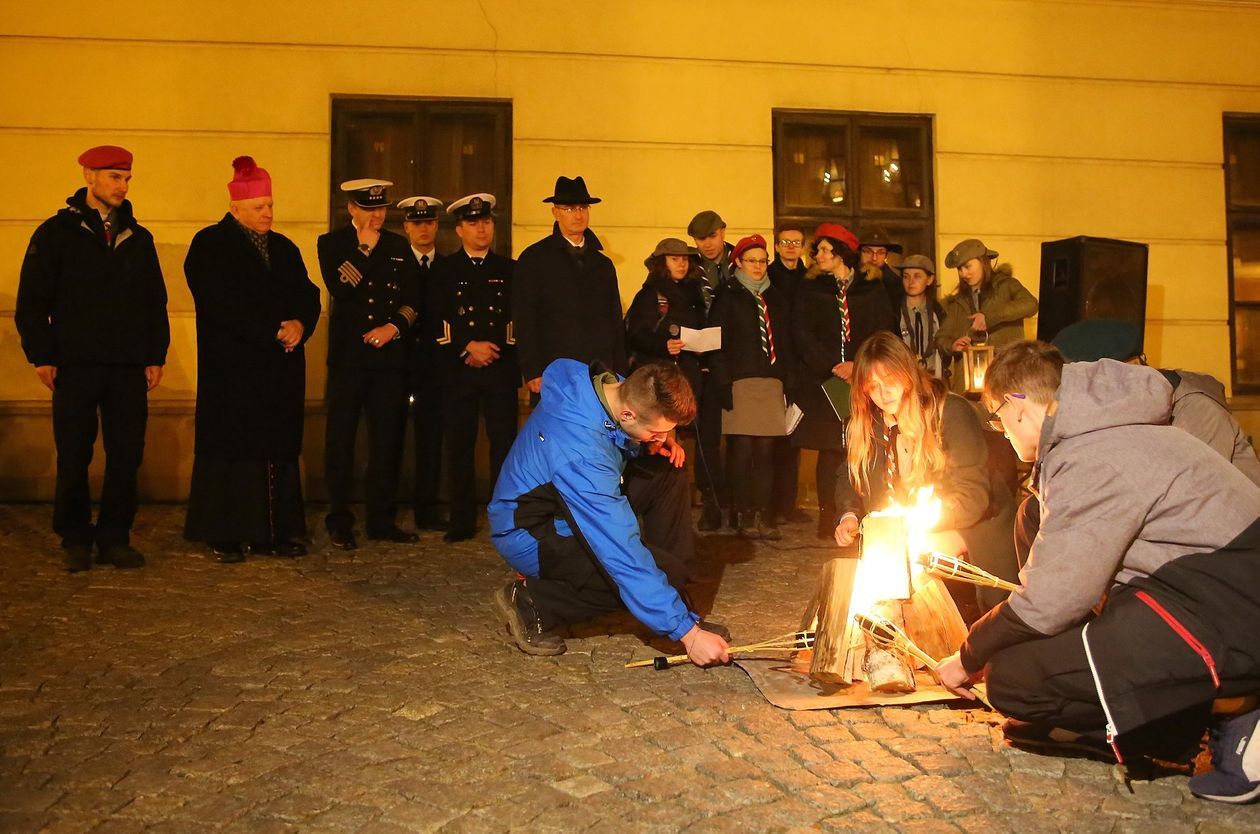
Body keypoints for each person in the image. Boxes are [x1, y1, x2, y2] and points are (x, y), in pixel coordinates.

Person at [935, 341, 1260, 804]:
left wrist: (968, 656)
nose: (1000, 431)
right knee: (1033, 516)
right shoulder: (1106, 430)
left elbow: (1051, 602)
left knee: (1011, 681)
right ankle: (1159, 698)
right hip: (1207, 588)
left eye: (997, 417)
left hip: (1226, 610)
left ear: (1018, 407)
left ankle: (1235, 711)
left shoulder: (1092, 458)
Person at [488, 359, 730, 665]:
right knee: (630, 570)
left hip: (568, 504)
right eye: (656, 432)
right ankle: (532, 600)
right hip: (533, 531)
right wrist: (688, 634)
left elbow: (613, 433)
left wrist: (648, 443)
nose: (660, 438)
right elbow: (617, 549)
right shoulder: (580, 452)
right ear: (629, 414)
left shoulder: (613, 387)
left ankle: (671, 598)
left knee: (669, 471)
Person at [16, 145, 170, 572]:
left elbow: (154, 301)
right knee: (74, 452)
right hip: (75, 363)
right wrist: (42, 355)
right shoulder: (55, 234)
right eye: (114, 176)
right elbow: (32, 301)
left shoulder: (138, 237)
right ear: (89, 176)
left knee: (126, 454)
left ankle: (115, 536)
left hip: (126, 364)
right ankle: (75, 536)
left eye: (126, 178)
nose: (122, 186)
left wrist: (155, 353)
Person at [183, 156, 321, 563]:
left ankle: (274, 532)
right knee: (232, 451)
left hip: (278, 370)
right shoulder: (209, 245)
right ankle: (225, 532)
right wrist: (271, 329)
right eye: (260, 207)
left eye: (271, 206)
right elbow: (219, 302)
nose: (268, 214)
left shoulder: (284, 247)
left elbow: (307, 293)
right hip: (234, 370)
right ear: (235, 209)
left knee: (275, 450)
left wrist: (300, 324)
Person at [833, 332, 1019, 613]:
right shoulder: (869, 423)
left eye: (891, 380)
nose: (884, 394)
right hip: (913, 534)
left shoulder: (948, 411)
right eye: (873, 386)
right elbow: (850, 472)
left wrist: (917, 524)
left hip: (976, 529)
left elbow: (973, 497)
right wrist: (849, 513)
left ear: (907, 372)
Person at [318, 178, 422, 549]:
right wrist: (363, 249)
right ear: (351, 209)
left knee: (387, 440)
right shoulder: (332, 244)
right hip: (349, 360)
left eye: (380, 209)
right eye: (368, 209)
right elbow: (341, 288)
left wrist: (393, 326)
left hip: (389, 358)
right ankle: (339, 518)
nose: (376, 216)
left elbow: (414, 299)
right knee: (341, 441)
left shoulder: (397, 246)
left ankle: (381, 518)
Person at [1052, 319, 1260, 486]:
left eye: (1089, 382)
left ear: (1131, 367)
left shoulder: (1194, 409)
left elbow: (1192, 495)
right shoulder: (1123, 412)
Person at [791, 223, 897, 539]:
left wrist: (858, 365)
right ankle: (830, 516)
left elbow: (883, 328)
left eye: (825, 249)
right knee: (830, 449)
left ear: (841, 253)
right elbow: (802, 332)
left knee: (861, 441)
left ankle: (864, 512)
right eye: (818, 249)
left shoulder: (870, 288)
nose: (818, 255)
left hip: (863, 379)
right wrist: (831, 365)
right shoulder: (811, 289)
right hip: (825, 381)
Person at [427, 193, 520, 543]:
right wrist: (467, 346)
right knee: (460, 446)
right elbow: (437, 316)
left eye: (486, 221)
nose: (482, 228)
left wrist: (495, 350)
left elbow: (516, 317)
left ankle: (504, 517)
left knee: (504, 446)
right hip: (459, 368)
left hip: (500, 368)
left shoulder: (509, 269)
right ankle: (461, 518)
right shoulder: (445, 270)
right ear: (460, 229)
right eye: (473, 223)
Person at [707, 234, 793, 540]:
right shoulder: (727, 296)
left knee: (768, 451)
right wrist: (722, 382)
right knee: (741, 450)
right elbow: (716, 343)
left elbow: (786, 341)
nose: (757, 266)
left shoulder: (777, 298)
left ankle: (765, 513)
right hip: (739, 382)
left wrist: (787, 380)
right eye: (751, 260)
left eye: (762, 260)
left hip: (771, 382)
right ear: (738, 262)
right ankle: (740, 511)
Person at [513, 176, 627, 404]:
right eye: (569, 208)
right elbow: (524, 318)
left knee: (598, 433)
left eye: (583, 207)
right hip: (554, 370)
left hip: (599, 371)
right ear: (555, 212)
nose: (578, 214)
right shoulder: (535, 258)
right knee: (555, 434)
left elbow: (615, 319)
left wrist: (620, 369)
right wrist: (532, 370)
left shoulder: (602, 264)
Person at [397, 195, 449, 531]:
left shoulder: (447, 267)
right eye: (417, 223)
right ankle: (387, 503)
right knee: (391, 437)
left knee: (431, 440)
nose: (423, 228)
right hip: (398, 363)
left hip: (435, 366)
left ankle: (426, 507)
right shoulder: (397, 261)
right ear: (406, 227)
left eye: (429, 222)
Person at [935, 238, 1037, 395]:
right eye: (960, 269)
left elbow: (1031, 304)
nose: (964, 274)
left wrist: (989, 317)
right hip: (968, 389)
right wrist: (952, 345)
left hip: (1005, 379)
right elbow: (941, 338)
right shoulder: (957, 302)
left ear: (983, 262)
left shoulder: (1007, 286)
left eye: (968, 267)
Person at [688, 209, 735, 531]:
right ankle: (712, 502)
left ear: (723, 231)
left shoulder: (743, 261)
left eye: (712, 236)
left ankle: (740, 503)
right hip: (701, 363)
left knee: (741, 439)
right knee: (706, 438)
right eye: (700, 239)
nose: (706, 244)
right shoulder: (689, 268)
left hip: (737, 361)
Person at [624, 237, 706, 397]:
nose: (681, 264)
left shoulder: (695, 294)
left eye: (685, 259)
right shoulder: (650, 294)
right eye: (674, 259)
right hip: (658, 378)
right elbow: (636, 335)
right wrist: (664, 345)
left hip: (689, 378)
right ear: (662, 263)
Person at [768, 222, 809, 524]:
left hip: (803, 366)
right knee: (773, 436)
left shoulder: (810, 277)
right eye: (785, 242)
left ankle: (789, 503)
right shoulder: (768, 277)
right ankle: (772, 504)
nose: (791, 247)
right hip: (776, 363)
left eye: (796, 242)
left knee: (794, 434)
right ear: (777, 245)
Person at [897, 254, 947, 380]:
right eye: (906, 277)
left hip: (934, 378)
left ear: (930, 280)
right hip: (903, 377)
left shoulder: (940, 312)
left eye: (917, 276)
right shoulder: (894, 312)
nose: (911, 282)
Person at [859, 228, 905, 308]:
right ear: (859, 253)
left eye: (881, 253)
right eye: (868, 251)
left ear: (886, 255)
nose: (874, 258)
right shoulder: (848, 277)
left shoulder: (895, 284)